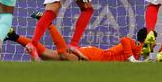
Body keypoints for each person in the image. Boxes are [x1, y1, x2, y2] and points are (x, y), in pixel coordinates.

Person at [8, 13, 147, 62]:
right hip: (94, 57)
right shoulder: (138, 46)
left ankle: (13, 36)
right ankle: (48, 23)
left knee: (45, 55)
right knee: (63, 53)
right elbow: (125, 40)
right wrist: (131, 59)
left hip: (94, 57)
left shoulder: (140, 52)